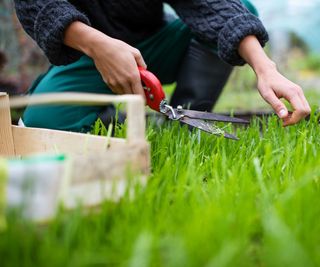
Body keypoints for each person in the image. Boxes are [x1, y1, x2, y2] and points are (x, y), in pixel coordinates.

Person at [14, 0, 310, 132]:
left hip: (156, 45)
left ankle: (186, 120)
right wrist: (98, 45)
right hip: (87, 53)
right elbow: (37, 5)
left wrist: (265, 67)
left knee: (244, 8)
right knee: (43, 123)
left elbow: (212, 7)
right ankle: (113, 119)